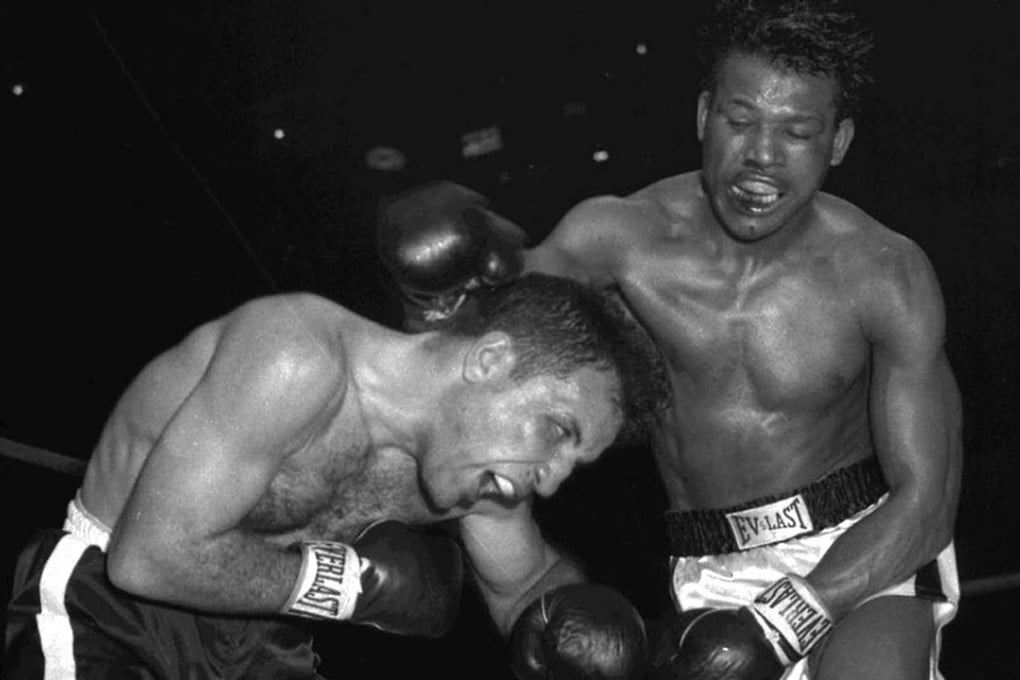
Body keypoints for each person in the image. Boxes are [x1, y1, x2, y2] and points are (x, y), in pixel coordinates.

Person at [376, 1, 963, 678]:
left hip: (862, 553)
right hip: (710, 567)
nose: (761, 159)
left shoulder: (884, 272)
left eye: (797, 132)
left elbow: (929, 502)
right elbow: (467, 350)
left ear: (837, 141)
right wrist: (433, 289)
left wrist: (785, 620)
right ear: (703, 116)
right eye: (740, 123)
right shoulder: (620, 240)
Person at [3, 273, 665, 679]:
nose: (547, 482)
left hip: (260, 643)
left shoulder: (474, 473)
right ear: (492, 359)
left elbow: (534, 593)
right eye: (557, 429)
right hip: (112, 609)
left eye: (570, 466)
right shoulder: (297, 355)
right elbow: (147, 558)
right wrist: (355, 586)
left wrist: (614, 649)